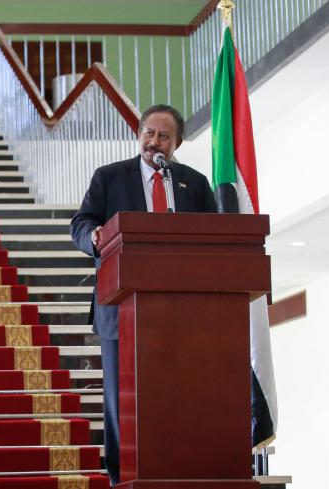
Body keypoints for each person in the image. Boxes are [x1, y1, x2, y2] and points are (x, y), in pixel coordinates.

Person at [70, 104, 217, 484]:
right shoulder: (110, 177)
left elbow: (214, 239)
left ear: (177, 143)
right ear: (139, 135)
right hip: (120, 311)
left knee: (176, 395)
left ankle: (175, 472)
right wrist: (95, 237)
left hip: (179, 312)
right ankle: (122, 478)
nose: (154, 141)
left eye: (163, 136)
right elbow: (81, 223)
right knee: (121, 401)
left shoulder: (194, 184)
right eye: (148, 133)